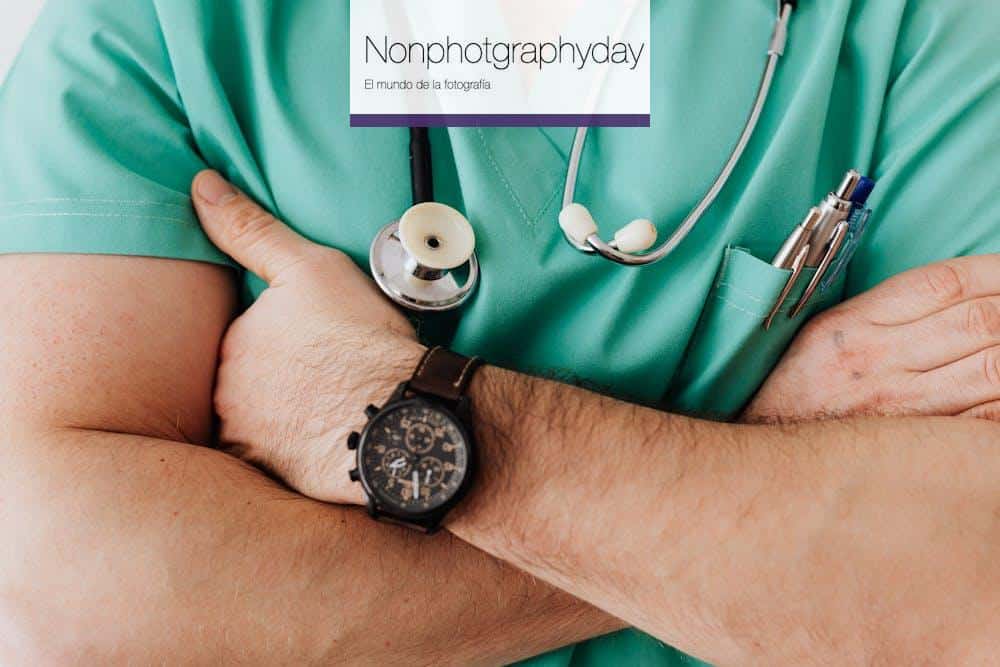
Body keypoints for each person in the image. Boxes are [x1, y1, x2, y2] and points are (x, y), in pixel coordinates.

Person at [0, 1, 998, 664]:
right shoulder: (161, 28)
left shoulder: (917, 27)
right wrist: (748, 443)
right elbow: (82, 588)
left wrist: (373, 410)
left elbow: (971, 577)